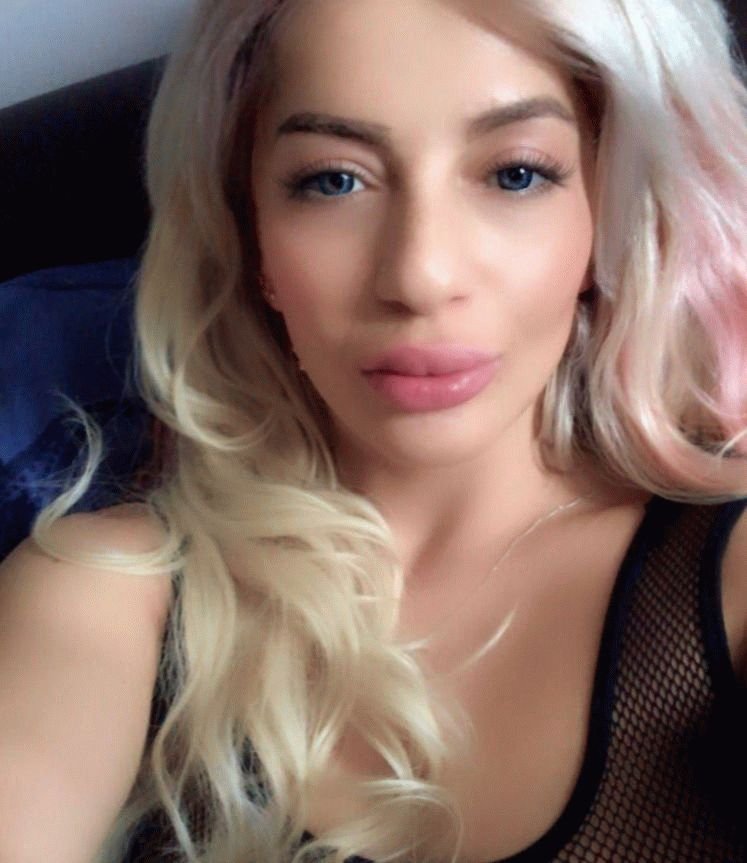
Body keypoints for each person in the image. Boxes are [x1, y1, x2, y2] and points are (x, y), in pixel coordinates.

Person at [1, 0, 746, 861]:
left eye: (514, 174)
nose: (419, 275)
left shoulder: (729, 576)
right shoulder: (104, 595)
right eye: (333, 181)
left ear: (604, 211)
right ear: (251, 234)